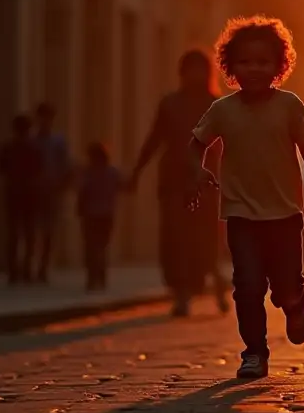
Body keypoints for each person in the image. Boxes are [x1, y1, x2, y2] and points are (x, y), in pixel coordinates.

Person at [189, 16, 304, 379]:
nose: (254, 69)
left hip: (285, 215)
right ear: (231, 67)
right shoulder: (223, 110)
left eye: (263, 62)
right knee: (247, 286)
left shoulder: (289, 105)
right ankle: (254, 352)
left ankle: (294, 304)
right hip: (241, 215)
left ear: (279, 65)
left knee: (287, 285)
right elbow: (196, 143)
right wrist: (195, 171)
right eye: (245, 62)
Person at [131, 50, 230, 317]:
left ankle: (218, 285)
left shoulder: (216, 105)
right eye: (189, 69)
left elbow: (231, 147)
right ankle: (182, 294)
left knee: (205, 242)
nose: (194, 75)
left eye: (199, 69)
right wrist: (137, 171)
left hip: (206, 183)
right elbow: (154, 140)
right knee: (176, 241)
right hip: (174, 181)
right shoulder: (170, 104)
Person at [0, 114, 43, 285]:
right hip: (30, 194)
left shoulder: (8, 147)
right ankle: (26, 270)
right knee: (29, 234)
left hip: (13, 193)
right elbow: (40, 170)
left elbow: (0, 168)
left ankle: (14, 272)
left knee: (13, 233)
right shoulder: (34, 148)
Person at [76, 142, 125, 290]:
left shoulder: (88, 172)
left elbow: (82, 192)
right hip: (106, 215)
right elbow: (123, 186)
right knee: (101, 247)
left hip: (91, 215)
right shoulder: (112, 172)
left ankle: (93, 278)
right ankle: (100, 278)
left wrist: (79, 208)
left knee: (91, 247)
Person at [33, 103, 72, 285]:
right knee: (32, 229)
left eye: (48, 118)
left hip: (52, 190)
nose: (45, 121)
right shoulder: (32, 141)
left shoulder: (58, 141)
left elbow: (65, 165)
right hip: (33, 190)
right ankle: (29, 265)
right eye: (42, 117)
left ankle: (43, 267)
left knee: (49, 230)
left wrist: (63, 185)